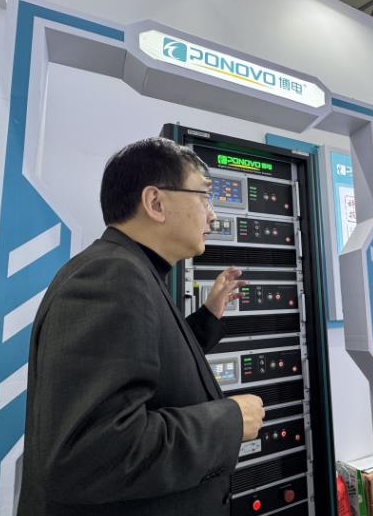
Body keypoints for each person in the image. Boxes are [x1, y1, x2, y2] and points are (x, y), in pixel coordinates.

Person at [18, 137, 265, 516]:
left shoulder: (132, 271)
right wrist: (229, 421)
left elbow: (151, 360)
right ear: (155, 203)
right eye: (204, 197)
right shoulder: (111, 277)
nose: (213, 216)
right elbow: (89, 453)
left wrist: (208, 316)